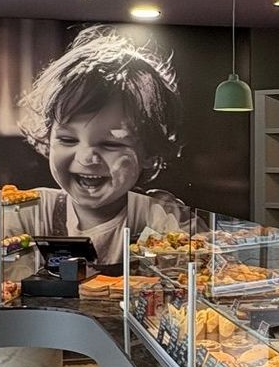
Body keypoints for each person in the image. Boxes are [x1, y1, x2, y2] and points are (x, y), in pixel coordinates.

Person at [15, 25, 189, 267]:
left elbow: (200, 277)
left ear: (149, 152)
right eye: (67, 139)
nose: (87, 157)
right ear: (47, 139)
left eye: (110, 143)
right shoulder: (24, 214)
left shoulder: (161, 216)